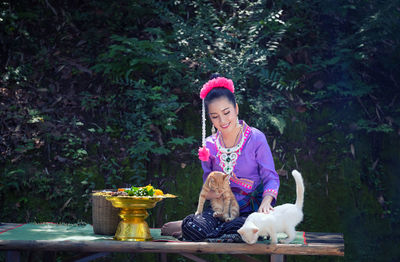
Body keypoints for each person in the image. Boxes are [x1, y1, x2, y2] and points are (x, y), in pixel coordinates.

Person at [161, 74, 280, 241]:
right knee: (194, 228)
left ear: (236, 109)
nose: (222, 120)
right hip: (220, 211)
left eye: (226, 112)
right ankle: (196, 227)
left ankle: (199, 230)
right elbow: (208, 185)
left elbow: (271, 177)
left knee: (246, 229)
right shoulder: (209, 145)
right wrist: (212, 194)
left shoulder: (255, 138)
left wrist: (266, 202)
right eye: (215, 116)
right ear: (210, 118)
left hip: (251, 211)